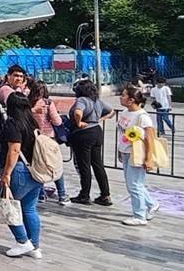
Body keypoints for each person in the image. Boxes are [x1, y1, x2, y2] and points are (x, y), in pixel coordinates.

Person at [0, 93, 44, 258]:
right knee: (29, 209)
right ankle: (35, 246)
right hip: (34, 170)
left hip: (18, 170)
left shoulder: (13, 124)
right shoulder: (32, 122)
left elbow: (14, 150)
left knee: (7, 206)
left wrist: (6, 174)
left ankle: (22, 241)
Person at [116, 84, 160, 226]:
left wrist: (149, 158)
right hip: (126, 151)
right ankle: (151, 204)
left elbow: (150, 139)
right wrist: (120, 150)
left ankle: (139, 215)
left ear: (131, 100)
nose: (120, 97)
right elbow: (122, 134)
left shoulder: (143, 117)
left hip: (137, 154)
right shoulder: (124, 112)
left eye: (123, 95)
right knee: (134, 184)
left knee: (134, 185)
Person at [68, 79, 114, 205]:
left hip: (83, 134)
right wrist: (99, 119)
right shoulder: (97, 101)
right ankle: (105, 195)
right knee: (97, 164)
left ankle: (84, 194)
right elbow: (111, 111)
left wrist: (79, 123)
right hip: (96, 131)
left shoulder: (82, 100)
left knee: (84, 165)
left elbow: (78, 112)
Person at [28, 80, 71, 205]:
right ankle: (62, 194)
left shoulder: (28, 102)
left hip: (34, 137)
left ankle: (40, 194)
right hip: (48, 138)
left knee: (37, 166)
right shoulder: (47, 103)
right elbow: (57, 121)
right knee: (55, 165)